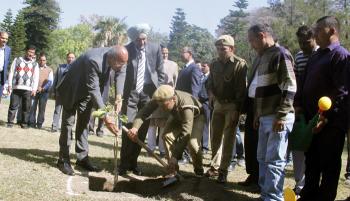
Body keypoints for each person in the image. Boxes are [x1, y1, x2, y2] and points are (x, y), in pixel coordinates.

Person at [296, 16, 350, 201]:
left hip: (330, 123)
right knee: (311, 163)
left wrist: (325, 117)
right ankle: (307, 196)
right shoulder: (316, 56)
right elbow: (302, 83)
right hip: (311, 121)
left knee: (329, 166)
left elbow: (342, 92)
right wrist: (299, 106)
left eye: (319, 30)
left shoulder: (340, 55)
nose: (315, 34)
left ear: (332, 31)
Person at [56, 45, 128, 176]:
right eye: (118, 64)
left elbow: (122, 72)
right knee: (68, 124)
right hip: (71, 89)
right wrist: (105, 116)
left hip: (86, 93)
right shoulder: (94, 59)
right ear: (111, 59)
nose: (120, 67)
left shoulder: (118, 58)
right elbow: (93, 88)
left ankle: (82, 158)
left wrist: (119, 96)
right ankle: (63, 160)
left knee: (84, 124)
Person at [247, 23, 296, 201]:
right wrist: (257, 115)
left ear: (261, 36)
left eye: (252, 40)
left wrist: (282, 115)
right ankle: (265, 194)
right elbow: (261, 91)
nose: (251, 45)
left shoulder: (281, 54)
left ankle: (274, 198)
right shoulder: (262, 57)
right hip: (264, 117)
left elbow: (290, 87)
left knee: (275, 161)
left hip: (278, 117)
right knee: (262, 158)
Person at [127, 85, 205, 176]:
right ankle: (173, 170)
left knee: (193, 144)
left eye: (164, 105)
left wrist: (176, 156)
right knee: (166, 135)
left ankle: (199, 170)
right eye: (159, 105)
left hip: (196, 117)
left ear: (173, 99)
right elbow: (144, 112)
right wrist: (135, 127)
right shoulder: (161, 98)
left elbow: (185, 134)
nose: (161, 108)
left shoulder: (186, 106)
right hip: (176, 115)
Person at [118, 23, 165, 176]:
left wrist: (160, 90)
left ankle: (133, 163)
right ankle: (123, 164)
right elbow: (122, 72)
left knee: (142, 129)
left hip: (148, 93)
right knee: (129, 126)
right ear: (133, 39)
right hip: (131, 93)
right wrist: (120, 94)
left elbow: (160, 71)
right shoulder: (127, 49)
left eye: (144, 39)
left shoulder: (155, 48)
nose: (142, 42)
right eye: (138, 40)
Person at [205, 34, 248, 183]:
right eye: (218, 49)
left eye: (223, 49)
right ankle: (214, 167)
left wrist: (237, 109)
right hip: (217, 104)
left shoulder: (240, 64)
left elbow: (242, 89)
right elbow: (209, 83)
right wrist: (211, 95)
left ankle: (223, 171)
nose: (220, 52)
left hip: (232, 105)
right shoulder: (214, 64)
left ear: (232, 48)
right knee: (215, 137)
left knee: (229, 138)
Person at [291, 25, 318, 196]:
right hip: (301, 109)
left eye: (306, 42)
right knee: (298, 147)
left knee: (315, 150)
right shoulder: (299, 57)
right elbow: (296, 83)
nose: (303, 46)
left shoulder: (322, 55)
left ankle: (311, 184)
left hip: (318, 109)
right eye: (300, 42)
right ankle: (300, 184)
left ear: (314, 39)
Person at [146, 46, 178, 156]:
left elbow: (175, 82)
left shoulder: (173, 65)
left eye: (166, 53)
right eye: (162, 53)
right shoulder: (152, 63)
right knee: (152, 124)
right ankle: (150, 148)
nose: (164, 55)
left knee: (164, 125)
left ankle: (162, 149)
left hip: (167, 98)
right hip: (155, 97)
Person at [175, 46, 202, 164]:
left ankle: (186, 156)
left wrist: (192, 107)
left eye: (183, 52)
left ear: (189, 53)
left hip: (188, 107)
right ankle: (181, 155)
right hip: (181, 105)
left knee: (187, 132)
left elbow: (195, 89)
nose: (181, 54)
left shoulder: (194, 68)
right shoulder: (184, 69)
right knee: (182, 130)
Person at [7, 45, 39, 129]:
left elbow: (36, 77)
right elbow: (11, 72)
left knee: (26, 107)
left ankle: (24, 123)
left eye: (33, 53)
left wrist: (34, 89)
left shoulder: (35, 64)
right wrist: (10, 85)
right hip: (16, 87)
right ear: (26, 51)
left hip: (28, 89)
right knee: (13, 106)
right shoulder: (17, 60)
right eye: (30, 52)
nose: (31, 54)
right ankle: (10, 122)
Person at [51, 52, 75, 133]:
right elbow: (55, 80)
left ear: (74, 59)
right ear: (66, 58)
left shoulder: (76, 68)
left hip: (69, 94)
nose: (70, 59)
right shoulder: (60, 67)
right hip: (59, 93)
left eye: (72, 57)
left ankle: (65, 128)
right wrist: (54, 91)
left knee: (67, 112)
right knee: (57, 110)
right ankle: (54, 127)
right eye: (69, 57)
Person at [29, 53, 53, 129]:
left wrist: (43, 88)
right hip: (34, 91)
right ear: (39, 60)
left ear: (46, 61)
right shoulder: (34, 67)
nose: (42, 61)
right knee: (32, 108)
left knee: (42, 109)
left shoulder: (49, 70)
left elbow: (50, 81)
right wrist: (35, 88)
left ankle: (39, 124)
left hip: (44, 93)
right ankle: (32, 122)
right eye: (41, 60)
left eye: (44, 60)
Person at [198, 61, 210, 153]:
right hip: (198, 103)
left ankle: (205, 147)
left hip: (206, 103)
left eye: (204, 66)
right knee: (199, 124)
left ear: (208, 67)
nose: (202, 67)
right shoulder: (200, 76)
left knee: (206, 125)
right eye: (201, 66)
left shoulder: (210, 77)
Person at [0, 31, 11, 102]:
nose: (4, 40)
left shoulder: (8, 49)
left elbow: (7, 63)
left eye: (6, 39)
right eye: (2, 38)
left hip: (1, 77)